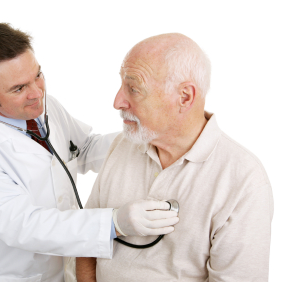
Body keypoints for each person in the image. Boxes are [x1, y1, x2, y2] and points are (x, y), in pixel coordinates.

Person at [0, 23, 179, 282]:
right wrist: (114, 223)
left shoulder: (41, 105)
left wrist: (142, 135)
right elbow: (24, 226)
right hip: (9, 274)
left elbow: (84, 149)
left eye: (38, 75)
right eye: (18, 88)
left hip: (63, 266)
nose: (37, 93)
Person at [76, 33, 274, 281]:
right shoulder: (123, 145)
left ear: (185, 97)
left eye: (133, 88)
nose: (118, 101)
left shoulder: (243, 180)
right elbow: (86, 239)